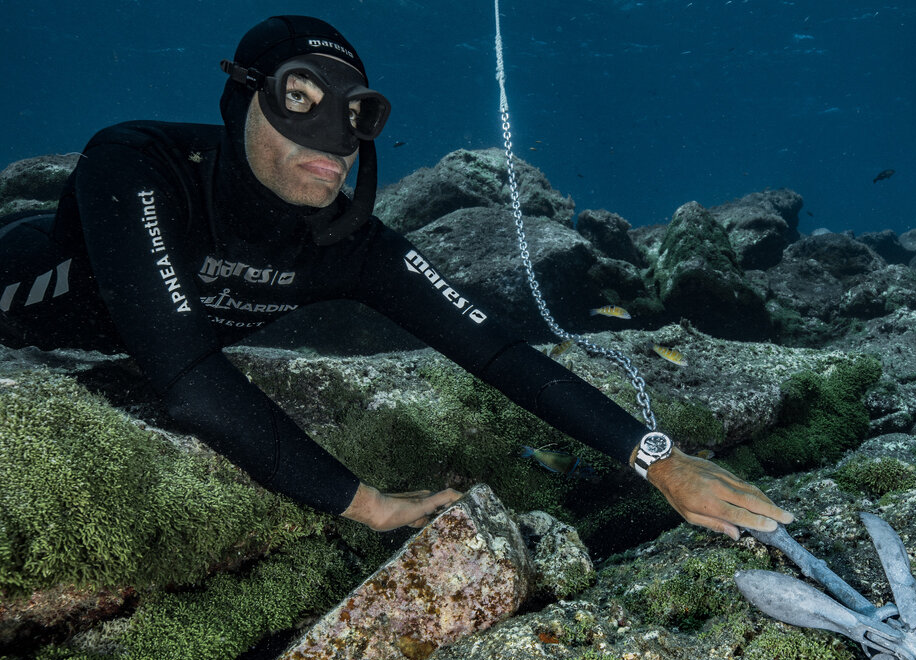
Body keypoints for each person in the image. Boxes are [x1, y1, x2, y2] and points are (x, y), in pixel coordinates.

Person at [0, 15, 792, 539]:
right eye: (298, 97)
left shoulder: (349, 242)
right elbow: (192, 383)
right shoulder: (140, 164)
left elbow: (497, 351)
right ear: (241, 96)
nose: (331, 134)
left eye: (351, 114)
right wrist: (368, 504)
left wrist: (659, 459)